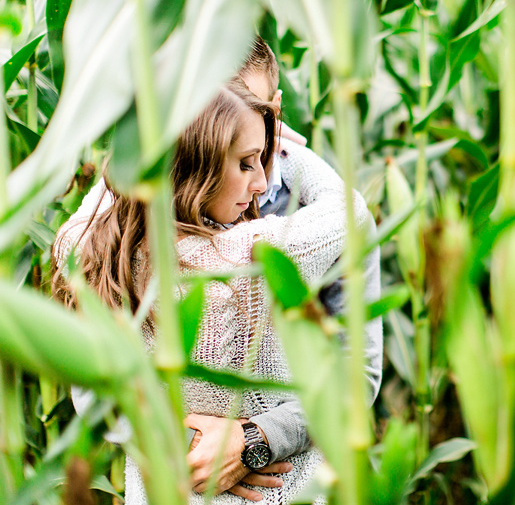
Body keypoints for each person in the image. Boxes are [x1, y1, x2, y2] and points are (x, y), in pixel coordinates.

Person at [53, 79, 378, 504]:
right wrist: (289, 152)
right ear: (193, 165)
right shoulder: (249, 256)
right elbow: (350, 212)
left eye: (263, 159)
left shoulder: (97, 256)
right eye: (246, 163)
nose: (262, 181)